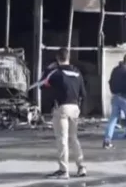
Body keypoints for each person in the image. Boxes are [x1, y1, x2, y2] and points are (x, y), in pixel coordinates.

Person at [38, 47, 87, 179]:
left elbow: (42, 84)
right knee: (74, 138)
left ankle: (63, 170)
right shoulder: (77, 72)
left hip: (62, 108)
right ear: (68, 57)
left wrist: (48, 69)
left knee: (62, 139)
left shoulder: (56, 73)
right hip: (75, 107)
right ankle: (81, 167)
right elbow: (83, 93)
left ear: (58, 58)